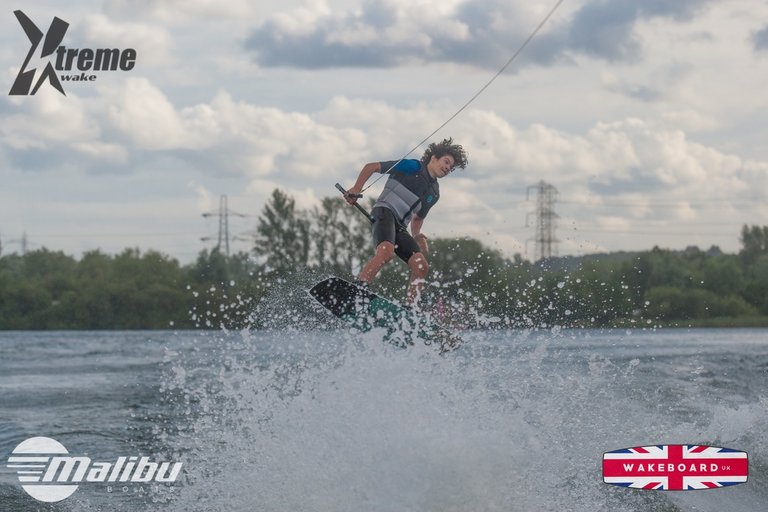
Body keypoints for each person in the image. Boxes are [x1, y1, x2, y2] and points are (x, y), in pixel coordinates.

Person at [344, 138, 468, 306]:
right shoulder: (413, 166)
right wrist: (356, 189)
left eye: (451, 167)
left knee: (421, 266)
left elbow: (418, 218)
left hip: (400, 226)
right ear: (433, 158)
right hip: (384, 211)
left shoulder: (434, 193)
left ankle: (409, 310)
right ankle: (358, 291)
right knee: (386, 253)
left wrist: (417, 236)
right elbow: (371, 167)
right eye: (446, 162)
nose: (448, 168)